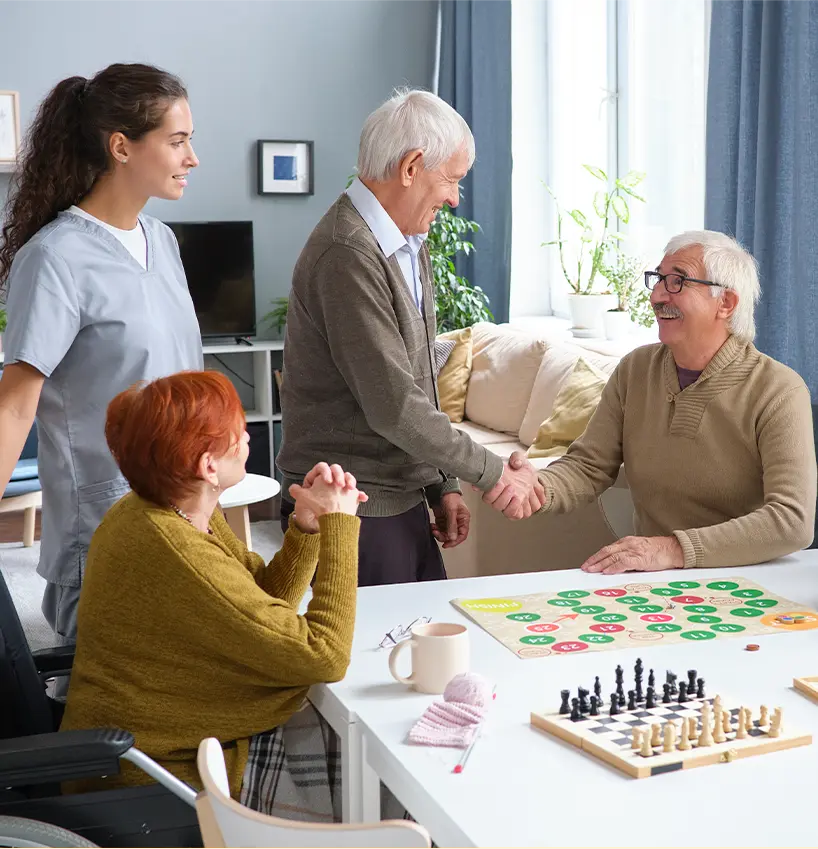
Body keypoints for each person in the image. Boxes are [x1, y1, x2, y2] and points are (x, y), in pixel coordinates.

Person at [60, 371, 365, 821]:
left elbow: (257, 603)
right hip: (164, 771)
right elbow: (325, 656)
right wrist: (340, 527)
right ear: (207, 466)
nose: (247, 437)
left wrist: (306, 527)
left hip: (171, 735)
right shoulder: (177, 549)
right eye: (236, 431)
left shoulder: (172, 509)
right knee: (365, 763)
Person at [277, 88, 544, 586]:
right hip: (351, 505)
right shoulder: (347, 253)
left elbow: (418, 379)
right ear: (411, 167)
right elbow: (394, 405)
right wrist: (494, 473)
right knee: (380, 639)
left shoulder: (406, 240)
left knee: (428, 633)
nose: (455, 198)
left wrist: (442, 483)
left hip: (395, 495)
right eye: (453, 179)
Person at [0, 63, 203, 644]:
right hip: (106, 520)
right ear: (121, 147)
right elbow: (15, 405)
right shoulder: (55, 257)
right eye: (177, 141)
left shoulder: (162, 241)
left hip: (186, 506)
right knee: (107, 684)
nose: (192, 158)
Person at [489, 231, 816, 573]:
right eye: (658, 279)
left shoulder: (778, 390)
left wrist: (671, 550)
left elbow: (791, 520)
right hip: (655, 578)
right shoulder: (636, 369)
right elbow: (588, 466)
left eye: (677, 282)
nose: (657, 295)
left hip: (748, 579)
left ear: (726, 303)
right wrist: (536, 487)